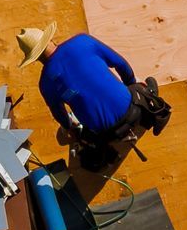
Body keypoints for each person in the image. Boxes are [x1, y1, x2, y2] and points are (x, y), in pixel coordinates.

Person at [18, 23, 170, 168]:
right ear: (49, 38)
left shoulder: (45, 82)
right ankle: (148, 105)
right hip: (134, 109)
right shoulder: (83, 41)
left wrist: (70, 128)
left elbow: (61, 117)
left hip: (107, 135)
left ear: (35, 58)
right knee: (140, 83)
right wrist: (132, 85)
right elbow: (121, 64)